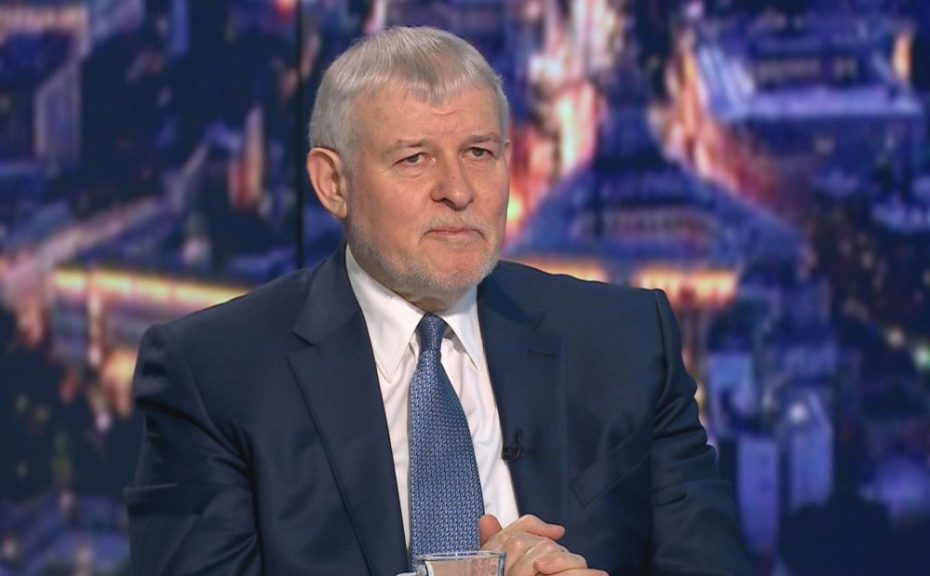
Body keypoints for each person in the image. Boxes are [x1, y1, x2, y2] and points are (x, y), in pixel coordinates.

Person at [125, 26, 751, 576]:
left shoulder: (627, 342)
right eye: (414, 159)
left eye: (478, 153)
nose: (458, 190)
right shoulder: (214, 376)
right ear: (333, 183)